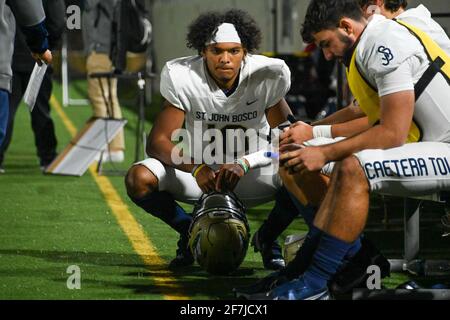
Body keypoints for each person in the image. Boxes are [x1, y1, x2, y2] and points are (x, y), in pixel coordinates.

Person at [268, 0, 450, 300]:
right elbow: (371, 117)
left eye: (326, 44)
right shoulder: (370, 44)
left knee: (354, 166)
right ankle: (317, 268)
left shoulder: (384, 43)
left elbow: (392, 132)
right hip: (430, 143)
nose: (326, 55)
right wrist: (315, 135)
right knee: (302, 157)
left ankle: (317, 282)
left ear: (346, 27)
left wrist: (326, 152)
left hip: (442, 147)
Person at [125, 9, 313, 270]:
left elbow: (290, 141)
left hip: (252, 175)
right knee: (139, 178)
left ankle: (268, 238)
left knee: (303, 170)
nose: (225, 59)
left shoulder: (266, 75)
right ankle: (189, 232)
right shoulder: (184, 76)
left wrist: (246, 163)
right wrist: (196, 167)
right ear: (203, 51)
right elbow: (157, 142)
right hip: (203, 177)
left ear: (245, 51)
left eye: (234, 51)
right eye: (217, 51)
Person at [0, 0, 65, 173]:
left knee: (8, 111)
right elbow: (57, 19)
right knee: (41, 111)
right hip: (38, 54)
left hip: (9, 55)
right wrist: (47, 45)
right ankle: (48, 158)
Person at [82, 0, 125, 163]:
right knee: (110, 99)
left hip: (100, 50)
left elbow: (89, 10)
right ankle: (116, 147)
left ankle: (104, 146)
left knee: (100, 100)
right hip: (112, 51)